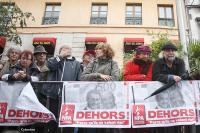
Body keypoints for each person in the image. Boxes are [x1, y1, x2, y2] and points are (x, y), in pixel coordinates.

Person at [80, 42, 120, 133]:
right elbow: (83, 77)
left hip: (107, 97)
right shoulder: (92, 63)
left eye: (99, 49)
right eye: (96, 49)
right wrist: (99, 75)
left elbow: (116, 78)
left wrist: (95, 79)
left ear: (106, 51)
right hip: (93, 96)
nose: (96, 51)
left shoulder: (113, 63)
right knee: (92, 124)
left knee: (106, 125)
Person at [47, 45, 82, 133]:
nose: (67, 50)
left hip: (69, 96)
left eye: (69, 49)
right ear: (60, 51)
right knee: (53, 118)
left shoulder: (76, 63)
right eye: (64, 49)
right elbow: (51, 66)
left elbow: (79, 79)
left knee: (68, 119)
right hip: (54, 94)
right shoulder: (54, 60)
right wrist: (61, 56)